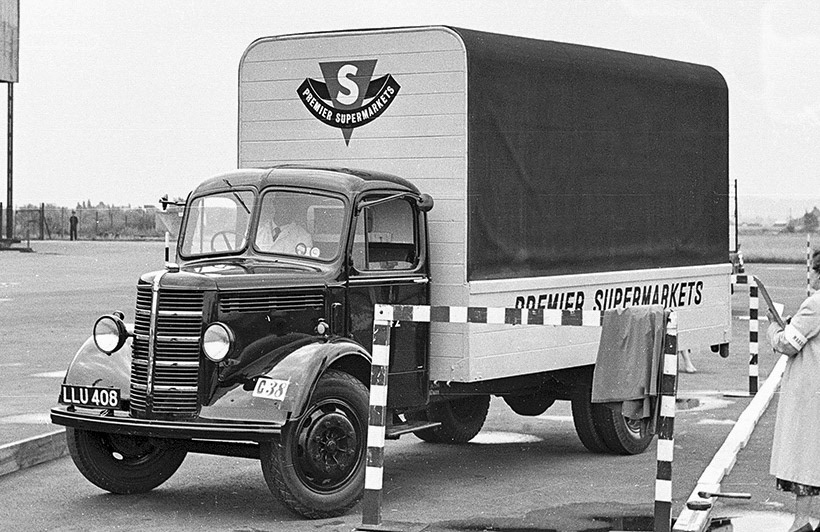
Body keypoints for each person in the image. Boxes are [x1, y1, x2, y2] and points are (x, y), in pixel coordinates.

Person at [767, 249, 820, 532]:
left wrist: (773, 328)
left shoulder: (815, 304)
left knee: (805, 457)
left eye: (813, 268)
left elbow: (789, 344)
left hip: (810, 390)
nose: (810, 274)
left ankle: (801, 521)